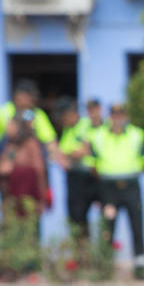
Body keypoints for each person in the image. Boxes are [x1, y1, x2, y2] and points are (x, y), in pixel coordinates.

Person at [91, 103, 144, 279]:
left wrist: (132, 171)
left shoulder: (136, 134)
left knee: (137, 225)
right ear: (110, 116)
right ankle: (105, 266)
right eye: (115, 115)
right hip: (108, 187)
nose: (118, 119)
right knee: (107, 227)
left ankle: (140, 266)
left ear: (126, 116)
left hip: (131, 184)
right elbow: (92, 164)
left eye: (121, 115)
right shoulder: (98, 135)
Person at [0, 116, 50, 275]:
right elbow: (2, 167)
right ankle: (15, 266)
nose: (7, 129)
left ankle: (32, 267)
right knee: (14, 229)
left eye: (10, 126)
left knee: (31, 228)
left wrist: (42, 195)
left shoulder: (31, 144)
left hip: (29, 194)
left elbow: (39, 168)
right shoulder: (10, 145)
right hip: (14, 195)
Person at [56, 99, 102, 244]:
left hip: (91, 175)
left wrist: (69, 155)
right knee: (76, 216)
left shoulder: (86, 124)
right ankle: (81, 251)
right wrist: (68, 155)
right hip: (74, 176)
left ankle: (99, 250)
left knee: (104, 213)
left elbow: (82, 151)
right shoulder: (68, 130)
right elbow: (61, 154)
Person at [0, 80, 58, 157]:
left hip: (31, 155)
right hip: (7, 152)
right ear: (18, 96)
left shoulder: (38, 113)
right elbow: (6, 137)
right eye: (29, 97)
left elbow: (51, 141)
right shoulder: (3, 111)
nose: (32, 101)